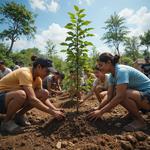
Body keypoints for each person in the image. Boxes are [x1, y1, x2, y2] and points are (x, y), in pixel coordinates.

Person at [0, 58, 65, 134]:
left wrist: (55, 109)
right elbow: (32, 99)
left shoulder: (38, 79)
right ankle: (6, 122)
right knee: (21, 94)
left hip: (7, 100)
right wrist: (52, 113)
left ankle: (18, 116)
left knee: (44, 93)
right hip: (2, 97)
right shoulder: (25, 73)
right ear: (39, 67)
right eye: (47, 71)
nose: (48, 74)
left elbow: (43, 98)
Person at [88, 52, 150, 131]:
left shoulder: (121, 71)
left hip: (148, 95)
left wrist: (101, 112)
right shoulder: (112, 76)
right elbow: (109, 95)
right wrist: (99, 108)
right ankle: (132, 114)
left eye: (101, 65)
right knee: (115, 93)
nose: (99, 68)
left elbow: (120, 96)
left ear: (109, 62)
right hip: (142, 97)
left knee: (123, 94)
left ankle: (141, 122)